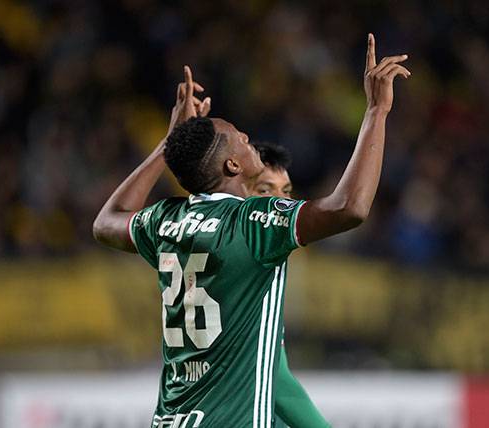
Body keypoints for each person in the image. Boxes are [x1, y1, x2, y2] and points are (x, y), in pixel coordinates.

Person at [93, 33, 409, 427]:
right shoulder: (252, 224)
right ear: (232, 167)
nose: (247, 139)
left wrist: (169, 143)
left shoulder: (165, 220)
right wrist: (376, 111)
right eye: (239, 139)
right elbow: (350, 208)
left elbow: (107, 221)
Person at [250, 141, 329, 428]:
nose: (278, 203)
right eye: (264, 190)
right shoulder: (246, 263)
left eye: (286, 192)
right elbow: (272, 379)